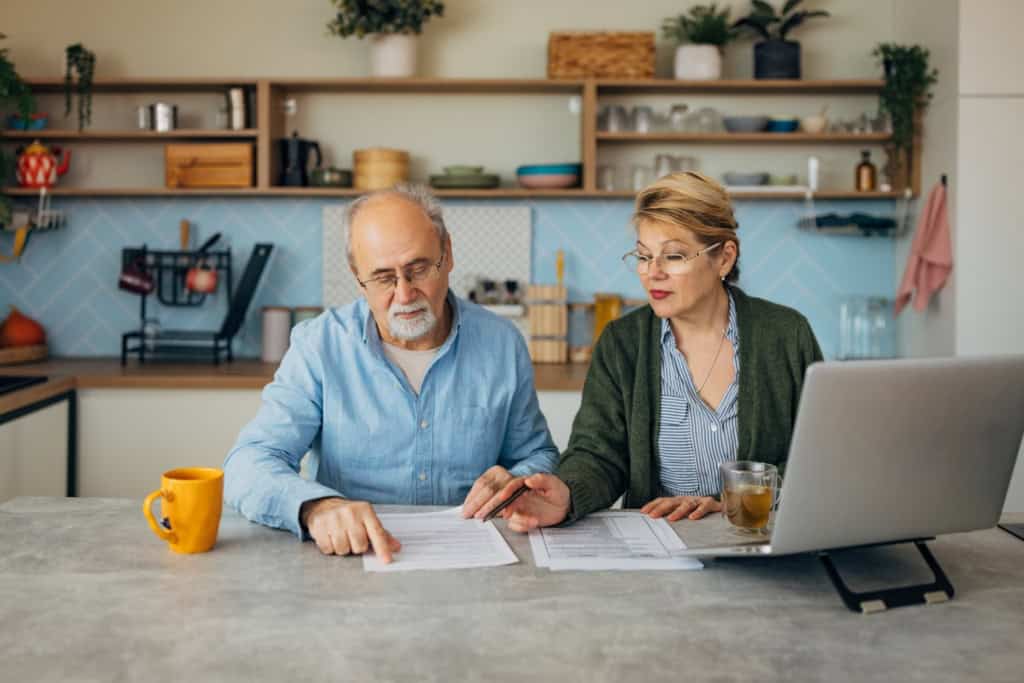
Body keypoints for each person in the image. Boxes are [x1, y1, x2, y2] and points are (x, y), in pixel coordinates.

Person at [224, 184, 557, 561]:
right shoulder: (320, 346)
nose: (404, 294)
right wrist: (315, 507)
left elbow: (539, 455)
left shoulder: (502, 345)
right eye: (383, 278)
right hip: (352, 566)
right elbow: (247, 465)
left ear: (447, 254)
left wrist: (518, 479)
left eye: (418, 269)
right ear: (357, 276)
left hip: (473, 567)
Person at [479, 171, 823, 532]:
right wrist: (567, 492)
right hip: (660, 552)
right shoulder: (622, 343)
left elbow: (820, 456)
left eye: (673, 256)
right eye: (643, 256)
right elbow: (598, 453)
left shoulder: (786, 335)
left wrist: (729, 504)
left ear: (724, 258)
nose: (651, 273)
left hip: (766, 548)